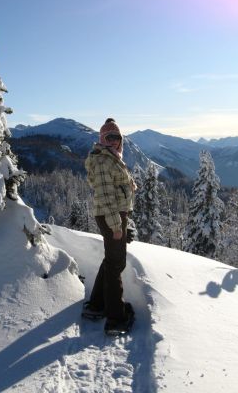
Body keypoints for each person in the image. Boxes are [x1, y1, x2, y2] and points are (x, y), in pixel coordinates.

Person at [82, 118, 136, 334]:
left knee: (111, 260)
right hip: (110, 215)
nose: (114, 141)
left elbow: (114, 188)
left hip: (112, 214)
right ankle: (116, 318)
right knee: (116, 265)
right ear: (102, 139)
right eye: (109, 137)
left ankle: (96, 305)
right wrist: (116, 226)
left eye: (117, 137)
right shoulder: (105, 161)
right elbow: (105, 196)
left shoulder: (110, 158)